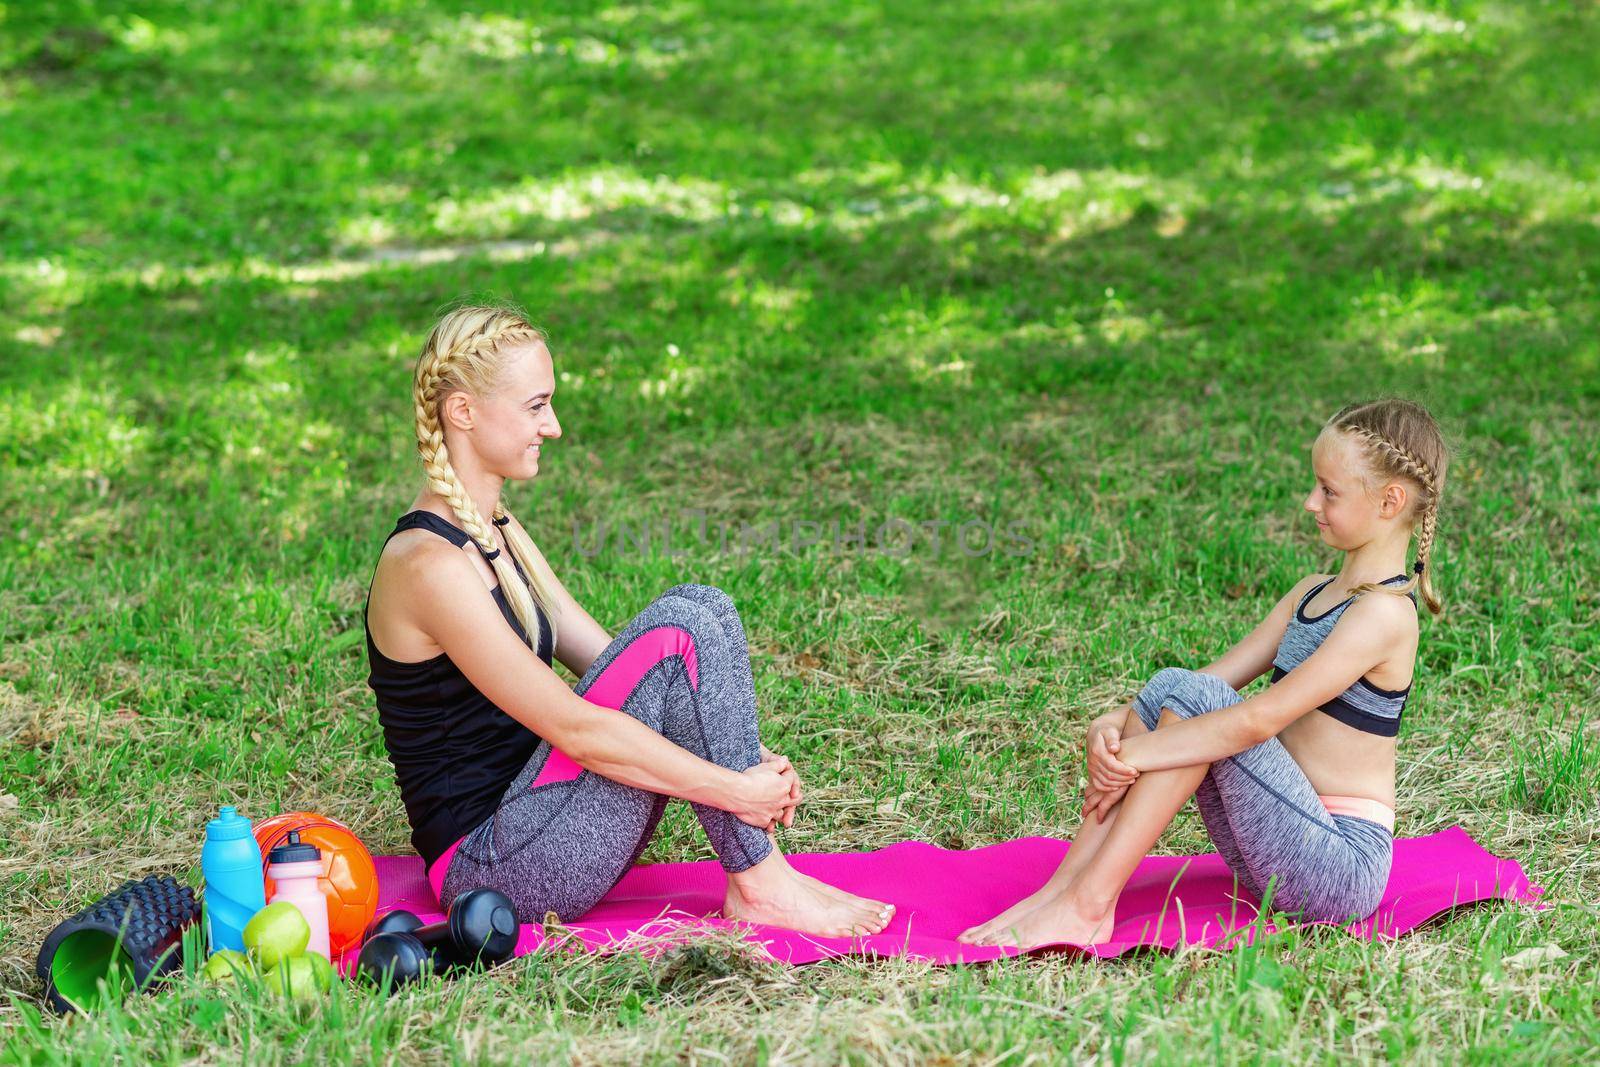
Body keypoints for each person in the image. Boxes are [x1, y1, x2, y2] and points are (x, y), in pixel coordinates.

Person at [362, 303, 894, 937]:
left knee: (703, 609)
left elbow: (605, 657)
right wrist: (734, 789)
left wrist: (731, 743)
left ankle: (763, 875)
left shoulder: (493, 527)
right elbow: (577, 729)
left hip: (543, 818)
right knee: (682, 627)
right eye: (536, 406)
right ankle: (761, 884)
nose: (553, 427)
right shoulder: (429, 565)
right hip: (493, 869)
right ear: (464, 413)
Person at [960, 398, 1449, 948]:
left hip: (1337, 865)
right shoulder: (1311, 593)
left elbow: (1256, 720)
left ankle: (1088, 905)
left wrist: (1133, 757)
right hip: (1271, 833)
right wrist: (1113, 725)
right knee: (1176, 683)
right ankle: (1063, 890)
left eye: (1329, 491)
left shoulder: (1384, 614)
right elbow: (1201, 683)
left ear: (1390, 501)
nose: (1310, 501)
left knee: (1200, 697)